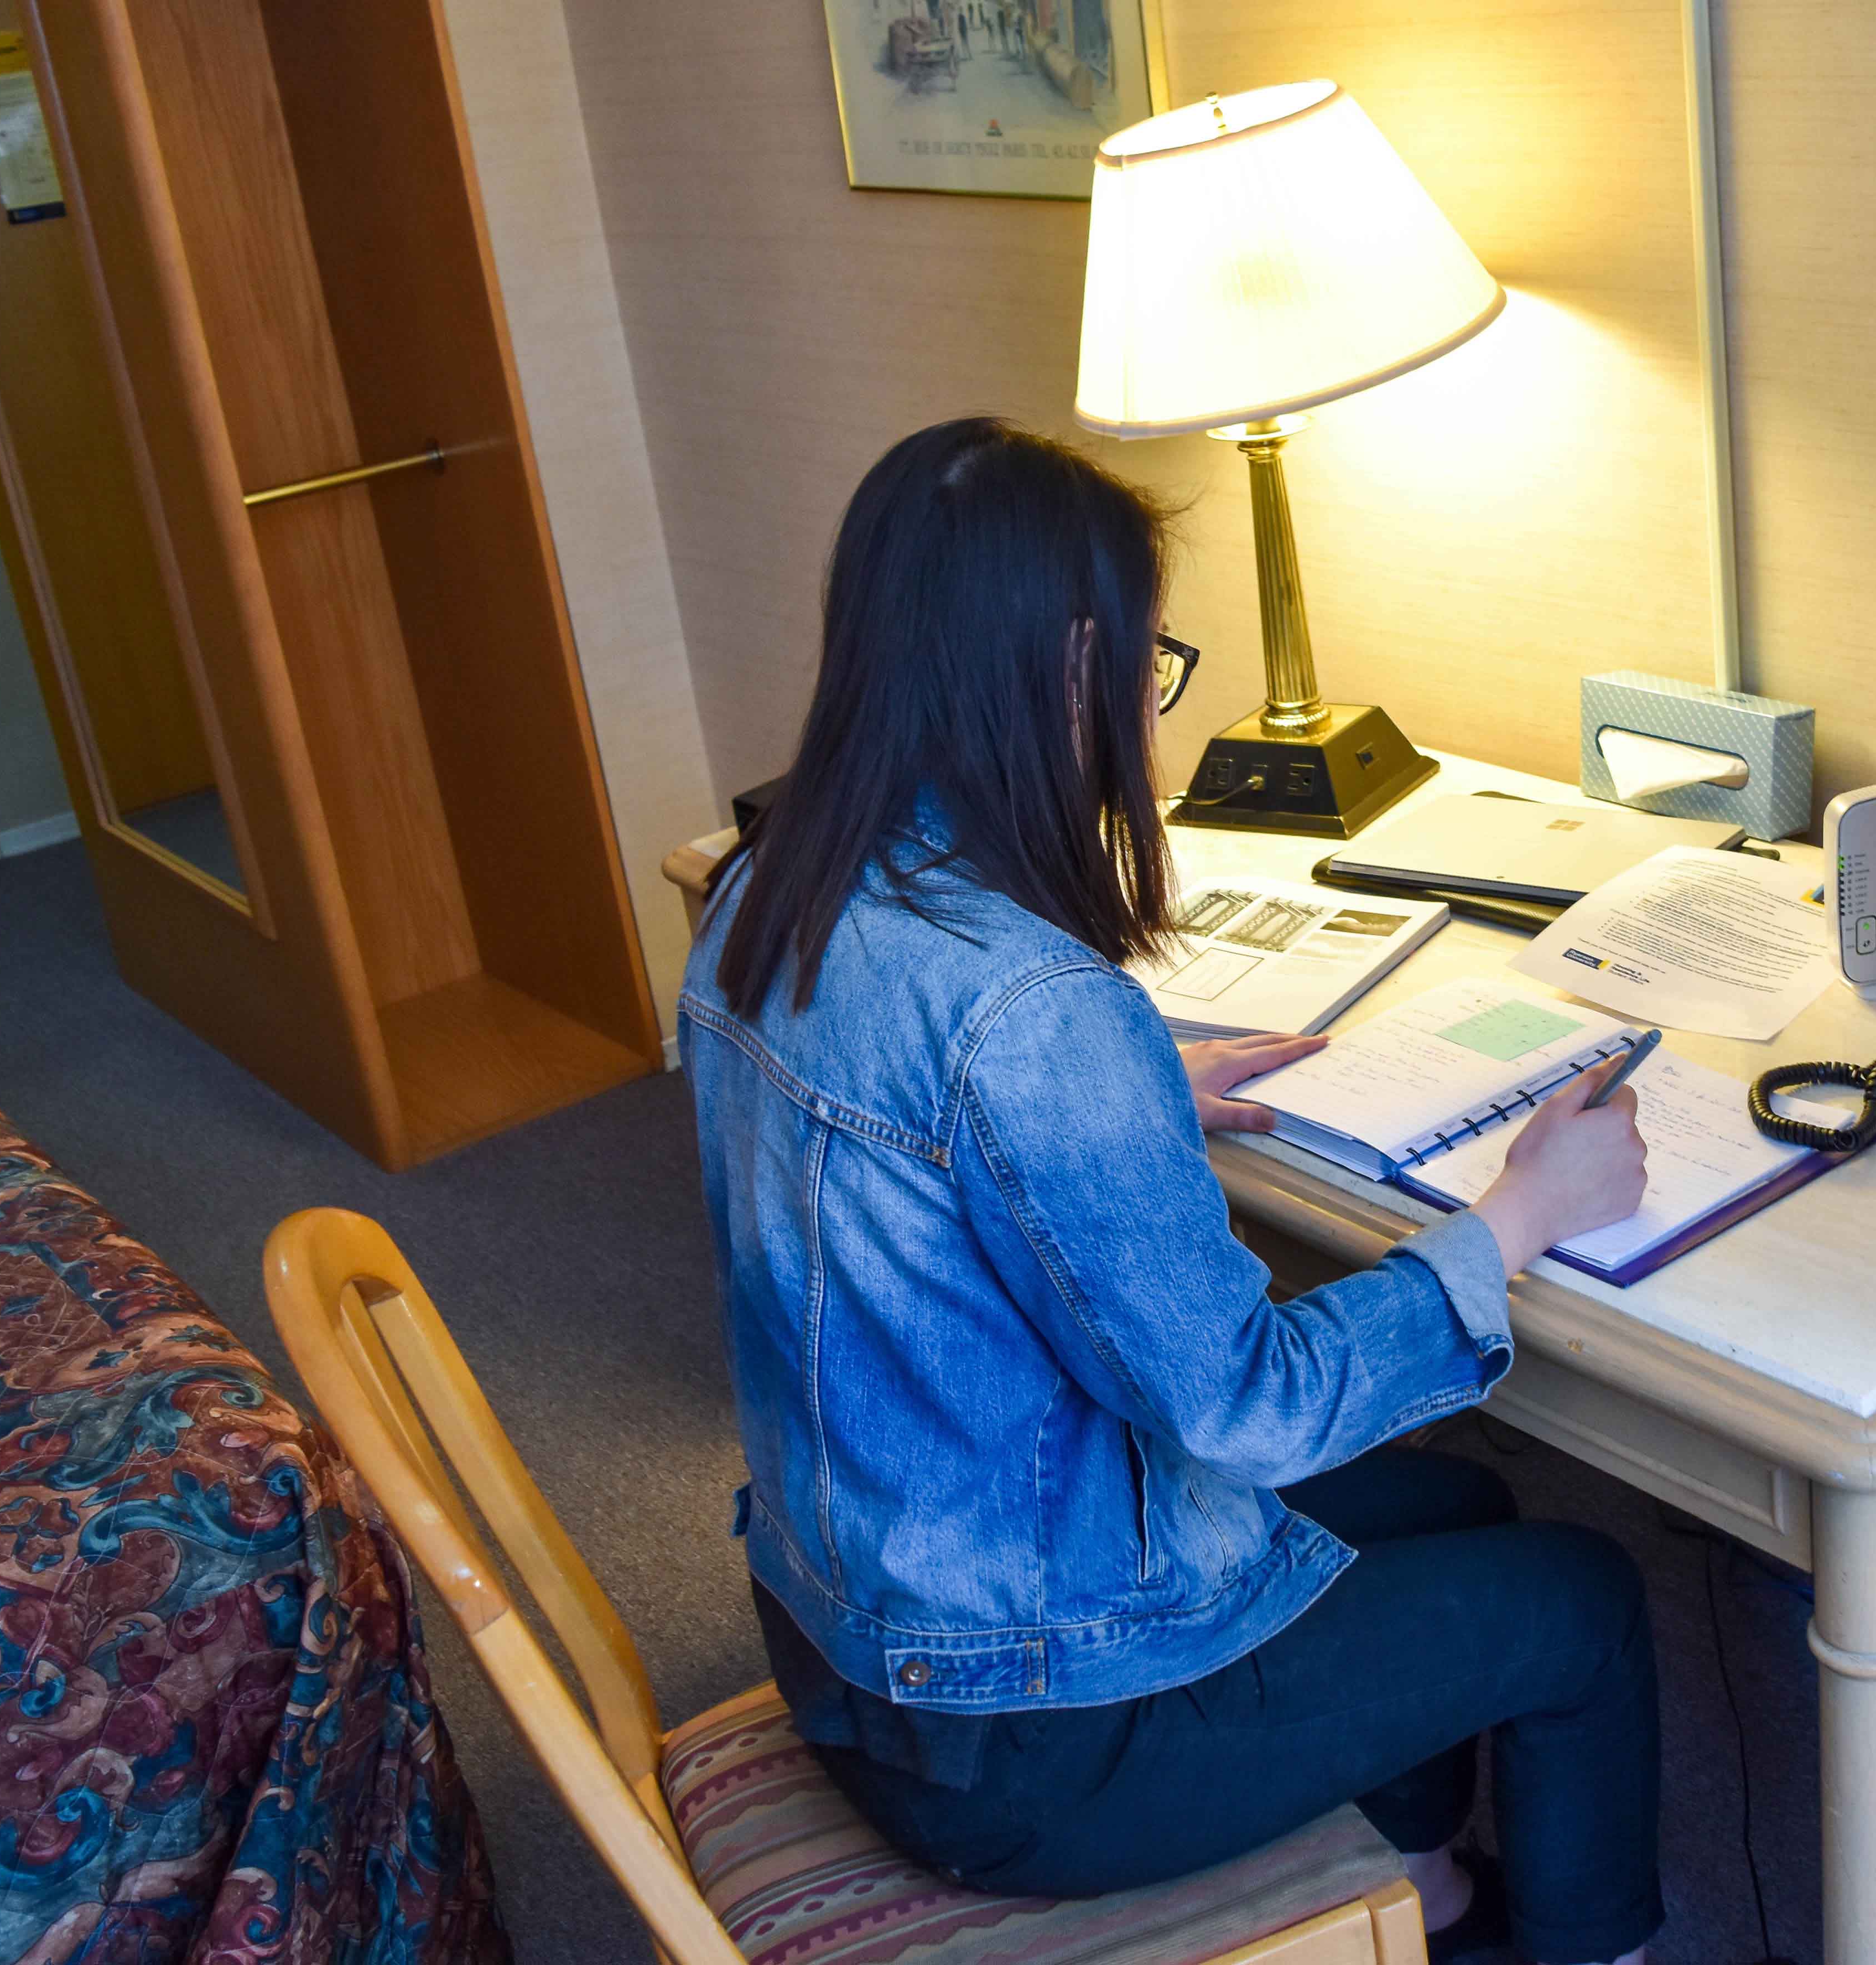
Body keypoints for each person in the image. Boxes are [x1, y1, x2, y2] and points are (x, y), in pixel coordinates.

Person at [680, 418, 1663, 1965]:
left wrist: (1142, 1103)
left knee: (1458, 1503)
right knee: (1579, 1600)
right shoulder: (1033, 1014)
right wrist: (1520, 1217)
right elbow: (1246, 1410)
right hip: (1027, 1745)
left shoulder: (768, 887)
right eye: (1153, 661)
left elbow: (914, 1154)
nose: (1155, 700)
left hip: (851, 1630)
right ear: (1072, 668)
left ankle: (1419, 1894)